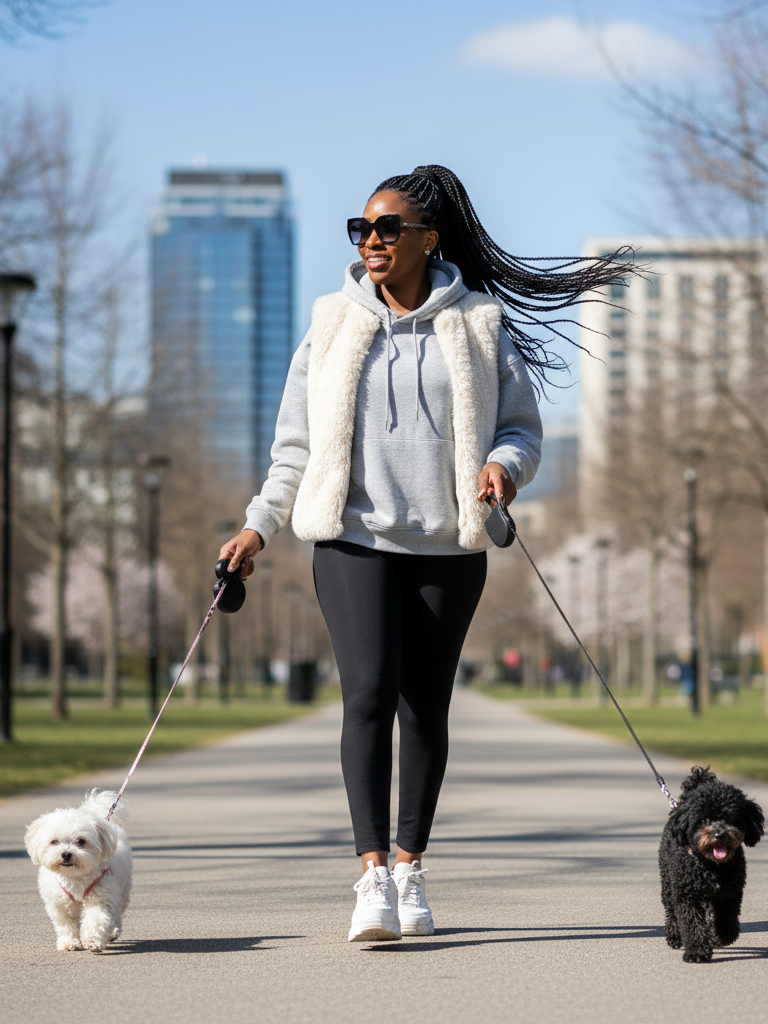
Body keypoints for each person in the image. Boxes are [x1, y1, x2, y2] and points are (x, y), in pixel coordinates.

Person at [220, 165, 633, 942]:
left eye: (388, 229)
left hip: (448, 545)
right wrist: (257, 527)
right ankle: (373, 877)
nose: (371, 241)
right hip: (352, 540)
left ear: (428, 239)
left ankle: (411, 867)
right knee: (368, 694)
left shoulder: (478, 324)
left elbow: (521, 429)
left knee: (425, 706)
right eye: (361, 229)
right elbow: (294, 449)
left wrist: (503, 467)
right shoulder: (330, 324)